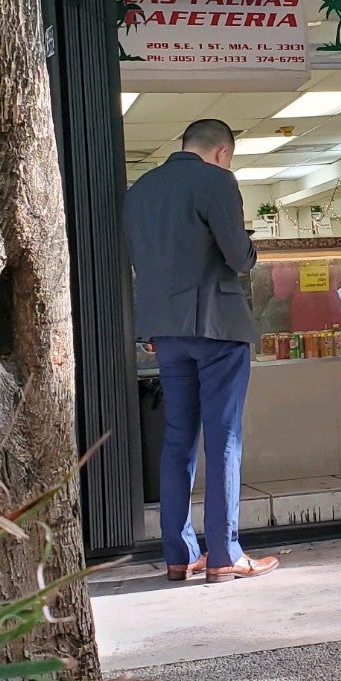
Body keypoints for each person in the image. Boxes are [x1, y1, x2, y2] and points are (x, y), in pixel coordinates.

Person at [123, 117, 278, 583]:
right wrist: (250, 248)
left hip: (166, 332)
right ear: (222, 152)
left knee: (177, 439)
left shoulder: (140, 190)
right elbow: (238, 256)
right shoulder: (217, 181)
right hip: (218, 326)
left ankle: (179, 554)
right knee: (224, 437)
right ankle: (225, 554)